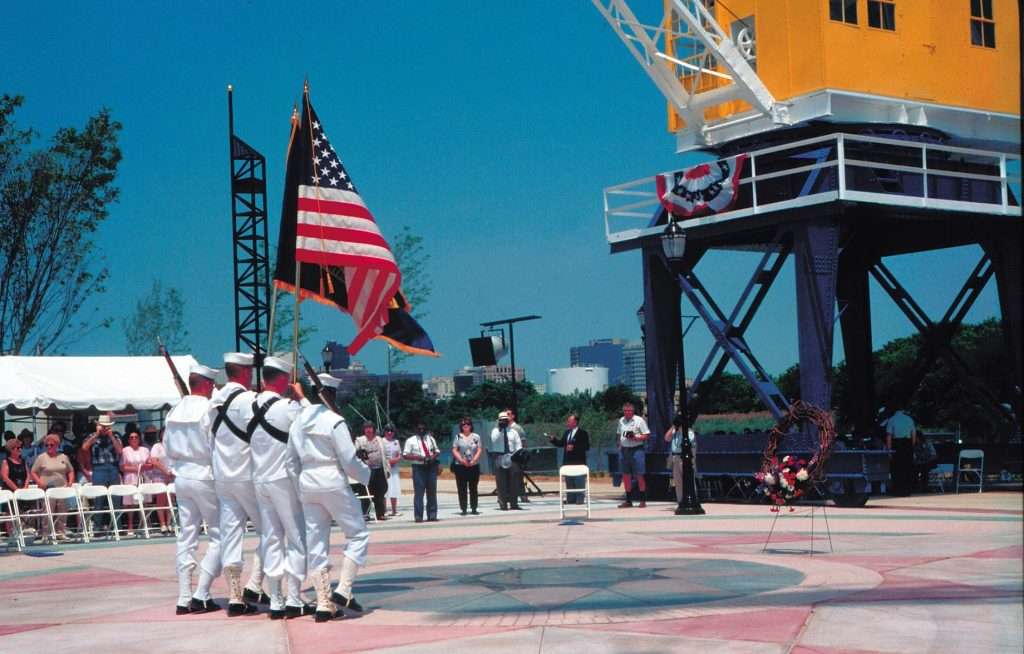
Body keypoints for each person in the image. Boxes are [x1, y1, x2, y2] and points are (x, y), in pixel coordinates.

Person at [288, 372, 371, 622]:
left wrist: (301, 487)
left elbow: (291, 462)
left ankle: (324, 603)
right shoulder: (335, 421)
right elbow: (348, 459)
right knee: (357, 534)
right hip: (332, 479)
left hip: (307, 482)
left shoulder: (298, 421)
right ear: (331, 394)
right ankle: (344, 589)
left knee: (316, 544)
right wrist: (367, 476)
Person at [249, 355, 312, 619]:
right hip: (282, 480)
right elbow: (313, 421)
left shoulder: (250, 405)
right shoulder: (288, 407)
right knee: (296, 538)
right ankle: (294, 598)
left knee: (271, 539)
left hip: (259, 479)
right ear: (285, 380)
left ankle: (276, 599)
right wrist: (302, 398)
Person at [211, 352, 267, 616]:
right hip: (247, 475)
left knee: (231, 536)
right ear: (245, 372)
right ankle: (254, 584)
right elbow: (261, 437)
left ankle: (234, 597)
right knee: (271, 530)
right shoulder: (248, 400)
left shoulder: (213, 401)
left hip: (223, 476)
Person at [163, 363, 222, 615]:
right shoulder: (209, 409)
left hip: (182, 476)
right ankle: (202, 593)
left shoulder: (174, 411)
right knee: (221, 535)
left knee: (186, 536)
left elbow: (167, 447)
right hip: (205, 474)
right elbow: (217, 445)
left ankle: (184, 596)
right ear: (207, 385)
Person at [30, 432, 76, 542]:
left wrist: (70, 482)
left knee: (62, 512)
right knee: (47, 511)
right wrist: (39, 482)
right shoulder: (41, 457)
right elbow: (33, 472)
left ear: (57, 445)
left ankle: (61, 532)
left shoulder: (63, 457)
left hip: (62, 488)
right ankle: (46, 533)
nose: (49, 447)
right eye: (47, 445)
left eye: (51, 445)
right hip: (48, 488)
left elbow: (70, 470)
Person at [82, 414, 123, 533]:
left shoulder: (115, 436)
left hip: (113, 468)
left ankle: (117, 527)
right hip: (98, 469)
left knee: (116, 499)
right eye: (103, 426)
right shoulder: (92, 436)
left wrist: (111, 436)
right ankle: (97, 528)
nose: (104, 428)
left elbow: (120, 450)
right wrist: (96, 434)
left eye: (106, 426)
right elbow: (84, 447)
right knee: (98, 499)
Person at [548, 413, 590, 504]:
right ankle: (570, 499)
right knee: (569, 481)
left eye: (569, 421)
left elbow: (586, 446)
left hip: (578, 462)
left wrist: (574, 447)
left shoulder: (583, 433)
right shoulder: (567, 432)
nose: (568, 423)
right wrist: (553, 440)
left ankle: (580, 499)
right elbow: (561, 443)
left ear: (575, 422)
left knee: (579, 481)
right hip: (568, 462)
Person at [402, 422, 440, 522]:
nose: (421, 431)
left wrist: (432, 457)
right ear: (416, 430)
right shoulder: (410, 440)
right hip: (418, 467)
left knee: (432, 492)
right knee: (419, 493)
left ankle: (432, 515)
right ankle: (418, 516)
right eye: (419, 429)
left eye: (423, 429)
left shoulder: (431, 439)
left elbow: (437, 451)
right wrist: (417, 457)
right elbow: (405, 455)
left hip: (431, 467)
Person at [617, 402, 650, 508]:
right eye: (625, 411)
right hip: (624, 450)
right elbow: (618, 433)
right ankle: (628, 500)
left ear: (633, 411)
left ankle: (642, 500)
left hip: (637, 450)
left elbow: (647, 435)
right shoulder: (621, 420)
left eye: (629, 411)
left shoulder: (639, 420)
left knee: (639, 474)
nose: (627, 413)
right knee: (625, 475)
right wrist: (619, 444)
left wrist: (636, 437)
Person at [354, 423, 390, 521]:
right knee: (365, 491)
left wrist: (387, 470)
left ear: (374, 429)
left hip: (379, 469)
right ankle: (365, 514)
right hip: (366, 470)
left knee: (380, 491)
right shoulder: (359, 440)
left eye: (370, 428)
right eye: (366, 428)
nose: (368, 430)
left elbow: (386, 456)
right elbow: (355, 454)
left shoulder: (380, 440)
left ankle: (380, 514)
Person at [489, 411, 524, 511]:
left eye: (505, 420)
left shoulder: (513, 432)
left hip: (512, 456)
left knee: (514, 481)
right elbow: (494, 440)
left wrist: (517, 455)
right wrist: (500, 429)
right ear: (498, 421)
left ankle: (514, 503)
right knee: (501, 482)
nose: (504, 422)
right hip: (499, 456)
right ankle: (503, 503)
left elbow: (518, 445)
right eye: (502, 420)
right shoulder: (495, 431)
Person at [119, 429, 150, 536]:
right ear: (128, 440)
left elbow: (150, 464)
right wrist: (138, 468)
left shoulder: (145, 450)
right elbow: (122, 467)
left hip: (143, 477)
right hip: (130, 478)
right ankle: (130, 526)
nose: (134, 439)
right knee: (130, 504)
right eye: (131, 437)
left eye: (136, 437)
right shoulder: (125, 450)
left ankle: (145, 524)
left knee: (144, 502)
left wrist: (139, 468)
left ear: (139, 439)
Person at [144, 425, 174, 534]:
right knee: (161, 501)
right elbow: (154, 461)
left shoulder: (173, 446)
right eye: (163, 433)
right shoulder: (157, 446)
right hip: (159, 475)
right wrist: (165, 471)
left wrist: (171, 473)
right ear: (160, 434)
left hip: (172, 476)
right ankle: (162, 524)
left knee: (170, 500)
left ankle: (169, 523)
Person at [451, 417, 483, 515]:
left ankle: (474, 508)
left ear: (471, 426)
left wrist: (474, 460)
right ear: (461, 426)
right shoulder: (458, 437)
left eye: (468, 424)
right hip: (461, 465)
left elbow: (479, 449)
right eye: (463, 424)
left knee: (473, 488)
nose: (466, 426)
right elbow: (454, 450)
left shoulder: (476, 437)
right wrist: (461, 460)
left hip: (473, 465)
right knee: (462, 488)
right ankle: (463, 508)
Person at [1, 438, 31, 539]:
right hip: (10, 491)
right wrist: (16, 489)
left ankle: (22, 532)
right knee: (10, 513)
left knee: (22, 511)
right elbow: (5, 477)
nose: (20, 449)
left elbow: (28, 475)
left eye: (20, 447)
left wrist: (25, 488)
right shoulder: (6, 462)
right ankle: (11, 535)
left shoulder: (23, 461)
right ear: (11, 449)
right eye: (18, 448)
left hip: (22, 491)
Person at [664, 415, 696, 506]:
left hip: (685, 457)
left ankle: (691, 500)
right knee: (678, 481)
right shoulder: (674, 431)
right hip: (675, 457)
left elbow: (690, 441)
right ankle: (681, 501)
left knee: (688, 480)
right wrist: (673, 426)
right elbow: (666, 438)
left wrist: (682, 428)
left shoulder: (689, 431)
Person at [885, 409, 917, 497]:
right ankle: (907, 490)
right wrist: (911, 446)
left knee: (896, 468)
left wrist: (889, 450)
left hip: (897, 444)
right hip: (907, 443)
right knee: (907, 468)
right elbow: (913, 434)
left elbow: (889, 436)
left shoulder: (892, 419)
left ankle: (897, 490)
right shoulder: (909, 419)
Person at [505, 408, 530, 503]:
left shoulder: (517, 428)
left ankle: (523, 496)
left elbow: (523, 443)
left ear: (513, 416)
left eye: (508, 414)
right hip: (506, 457)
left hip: (516, 456)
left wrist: (520, 456)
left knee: (518, 477)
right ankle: (508, 495)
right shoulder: (504, 428)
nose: (506, 416)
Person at [382, 425, 402, 516]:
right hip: (385, 468)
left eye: (391, 431)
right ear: (384, 432)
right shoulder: (381, 441)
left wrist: (396, 460)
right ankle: (384, 510)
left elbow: (399, 454)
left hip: (394, 468)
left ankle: (394, 510)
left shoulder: (396, 442)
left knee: (394, 488)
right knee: (384, 489)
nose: (389, 432)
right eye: (387, 430)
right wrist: (388, 462)